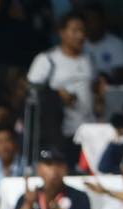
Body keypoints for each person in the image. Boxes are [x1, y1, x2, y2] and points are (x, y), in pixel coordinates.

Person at [26, 13, 94, 142]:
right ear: (62, 33)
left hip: (88, 129)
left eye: (83, 31)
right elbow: (31, 90)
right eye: (75, 31)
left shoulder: (89, 59)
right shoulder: (47, 59)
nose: (80, 35)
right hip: (59, 132)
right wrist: (56, 94)